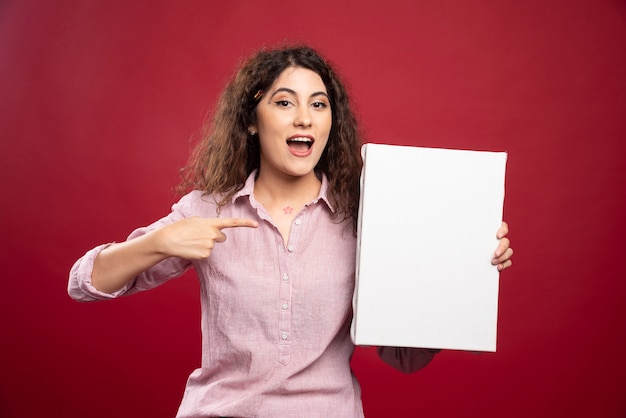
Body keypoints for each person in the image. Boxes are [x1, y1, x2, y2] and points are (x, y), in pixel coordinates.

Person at [68, 44, 513, 417]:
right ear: (250, 119)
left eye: (318, 104)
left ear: (330, 122)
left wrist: (466, 272)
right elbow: (84, 283)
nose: (304, 118)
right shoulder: (207, 209)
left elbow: (403, 356)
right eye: (284, 102)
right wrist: (157, 242)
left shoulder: (365, 217)